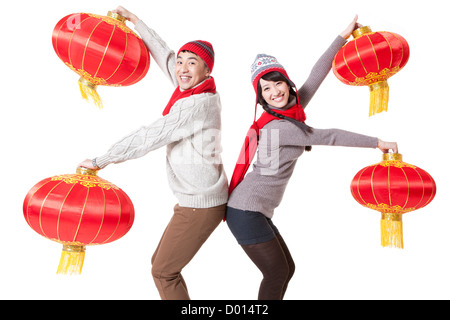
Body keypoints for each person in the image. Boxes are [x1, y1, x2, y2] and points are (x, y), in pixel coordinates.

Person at [226, 16, 398, 300]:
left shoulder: (287, 112)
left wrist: (342, 36)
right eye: (266, 89)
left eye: (277, 83)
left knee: (287, 269)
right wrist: (375, 142)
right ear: (262, 99)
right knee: (277, 273)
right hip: (246, 211)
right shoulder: (281, 127)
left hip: (254, 209)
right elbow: (328, 136)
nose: (274, 92)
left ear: (287, 84)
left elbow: (316, 75)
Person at [79, 6, 228, 300]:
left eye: (192, 63)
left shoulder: (194, 105)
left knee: (163, 272)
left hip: (200, 204)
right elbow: (167, 57)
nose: (182, 69)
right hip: (194, 199)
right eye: (181, 63)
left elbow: (150, 136)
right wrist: (137, 23)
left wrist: (102, 160)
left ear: (207, 70)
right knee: (159, 266)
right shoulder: (199, 90)